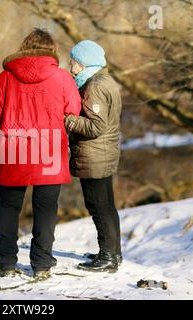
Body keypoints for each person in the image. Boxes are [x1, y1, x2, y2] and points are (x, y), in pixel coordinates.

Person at [0, 28, 81, 280]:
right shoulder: (62, 78)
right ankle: (42, 263)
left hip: (14, 148)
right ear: (51, 51)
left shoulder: (5, 78)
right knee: (46, 207)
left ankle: (5, 262)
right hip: (49, 150)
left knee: (8, 206)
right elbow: (73, 110)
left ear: (24, 47)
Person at [64, 40, 123, 273]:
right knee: (107, 205)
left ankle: (107, 256)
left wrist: (68, 119)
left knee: (98, 206)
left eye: (74, 63)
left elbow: (95, 126)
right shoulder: (106, 81)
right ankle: (113, 252)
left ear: (85, 63)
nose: (71, 68)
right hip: (104, 153)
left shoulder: (94, 85)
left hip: (94, 155)